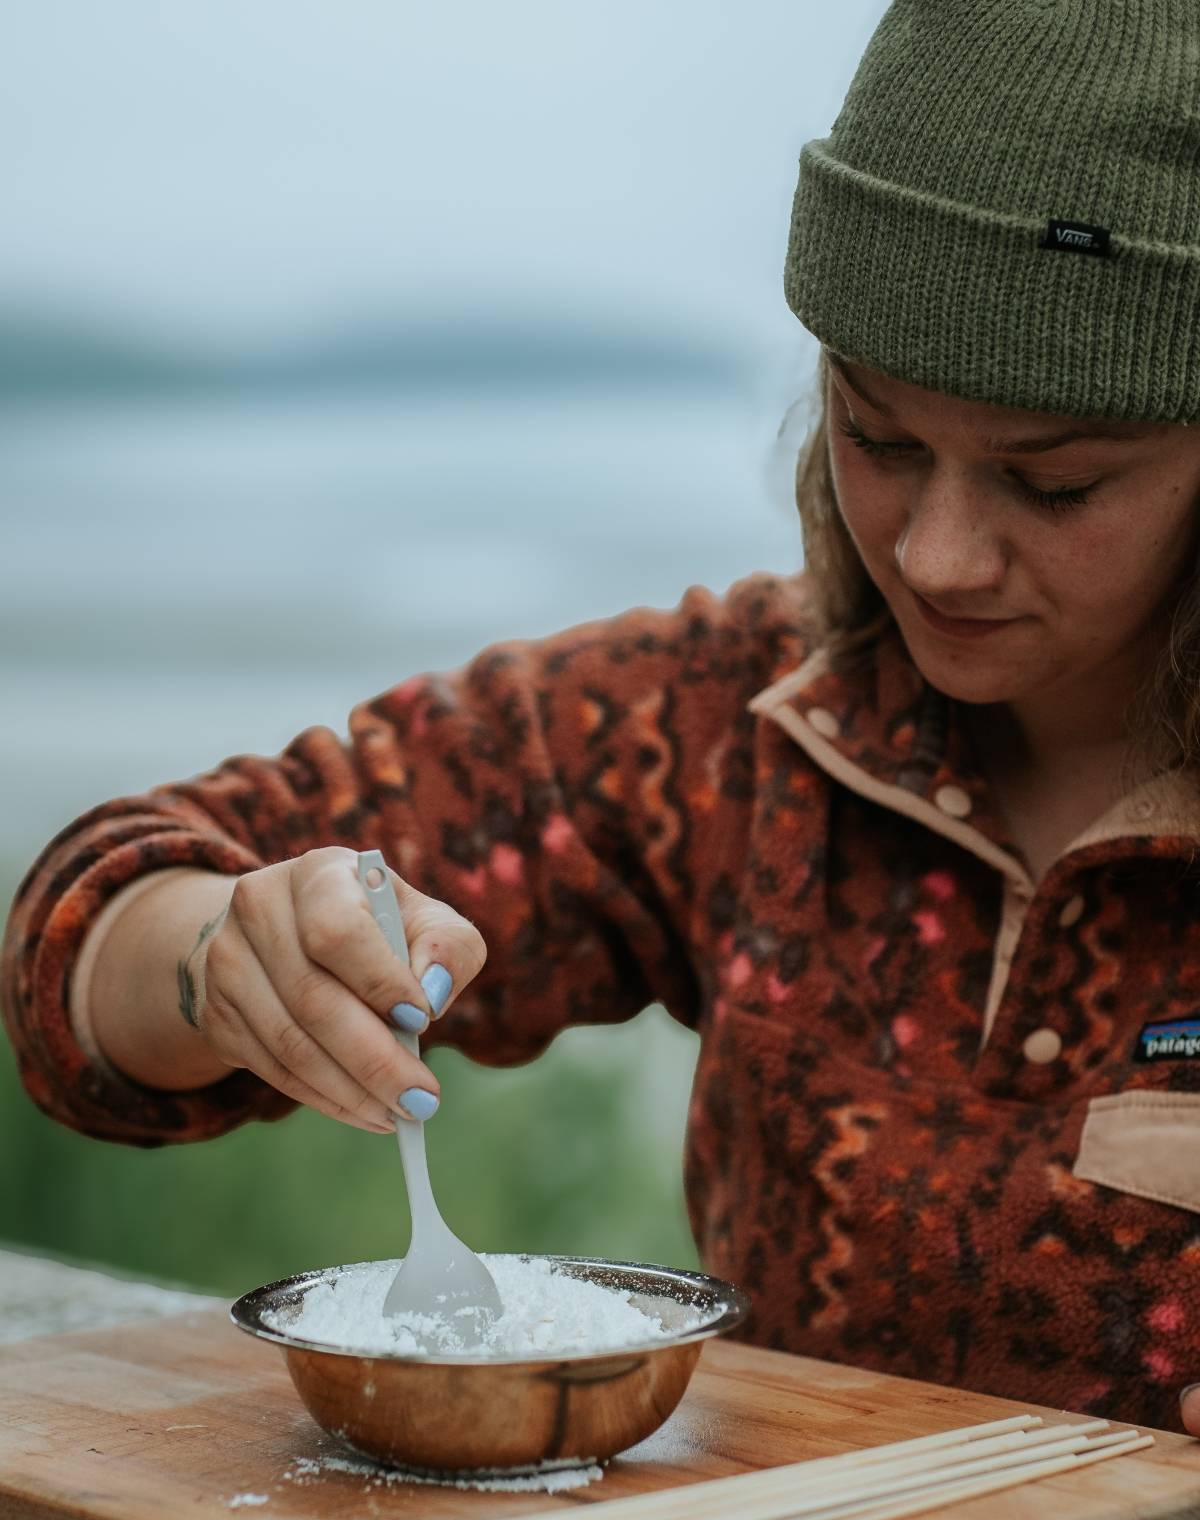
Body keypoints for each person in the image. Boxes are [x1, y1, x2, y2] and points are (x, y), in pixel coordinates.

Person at [5, 0, 1200, 1435]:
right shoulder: (736, 723)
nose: (939, 554)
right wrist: (217, 957)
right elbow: (80, 948)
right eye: (879, 438)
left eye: (1054, 485)